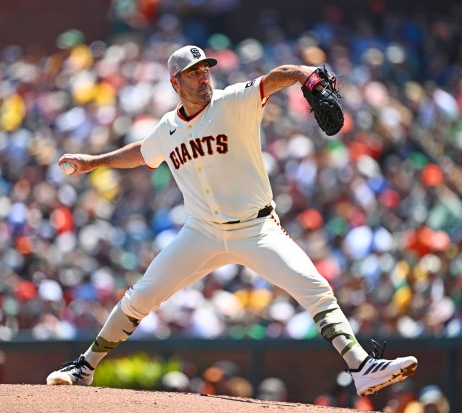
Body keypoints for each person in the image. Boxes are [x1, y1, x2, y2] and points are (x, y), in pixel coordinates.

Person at [46, 45, 418, 397]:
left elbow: (277, 76)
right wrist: (93, 162)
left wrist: (306, 75)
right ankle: (85, 366)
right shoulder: (167, 128)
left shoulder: (233, 101)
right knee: (141, 296)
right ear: (175, 83)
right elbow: (143, 153)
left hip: (256, 228)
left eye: (205, 69)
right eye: (193, 73)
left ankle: (361, 367)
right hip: (201, 232)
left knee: (314, 286)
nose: (203, 77)